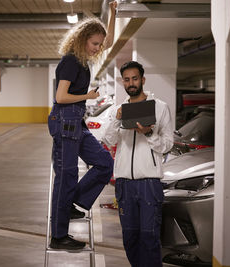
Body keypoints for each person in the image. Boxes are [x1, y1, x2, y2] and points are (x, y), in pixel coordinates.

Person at [47, 2, 117, 250]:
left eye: (99, 43)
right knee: (66, 176)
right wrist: (87, 97)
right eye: (94, 43)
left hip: (75, 121)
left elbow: (108, 42)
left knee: (104, 163)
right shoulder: (70, 61)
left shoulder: (83, 60)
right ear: (82, 40)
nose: (98, 48)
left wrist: (114, 14)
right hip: (65, 119)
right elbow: (60, 97)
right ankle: (58, 237)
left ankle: (72, 203)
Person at [102, 61, 173, 267]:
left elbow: (167, 145)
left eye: (135, 78)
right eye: (127, 79)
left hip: (149, 183)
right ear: (122, 82)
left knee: (149, 237)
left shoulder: (160, 108)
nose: (131, 83)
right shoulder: (118, 109)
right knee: (130, 238)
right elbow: (109, 140)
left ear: (142, 80)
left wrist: (149, 133)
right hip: (124, 183)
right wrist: (116, 119)